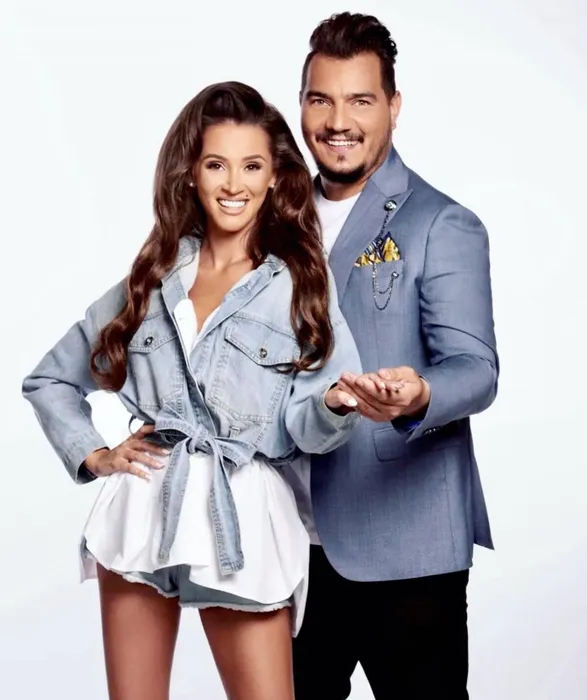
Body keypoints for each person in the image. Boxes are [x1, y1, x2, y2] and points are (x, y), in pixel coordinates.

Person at [21, 81, 365, 700]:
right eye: (216, 165)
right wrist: (95, 455)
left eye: (251, 166)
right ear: (190, 174)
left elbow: (307, 427)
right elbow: (50, 378)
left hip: (243, 516)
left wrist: (336, 405)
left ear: (275, 178)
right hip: (144, 506)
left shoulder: (298, 285)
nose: (234, 184)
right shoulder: (152, 278)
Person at [286, 13, 499, 699]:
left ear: (393, 107)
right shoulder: (272, 219)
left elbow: (475, 368)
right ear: (301, 105)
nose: (337, 121)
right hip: (287, 544)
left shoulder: (440, 222)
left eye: (360, 100)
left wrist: (418, 396)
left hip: (406, 547)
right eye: (320, 99)